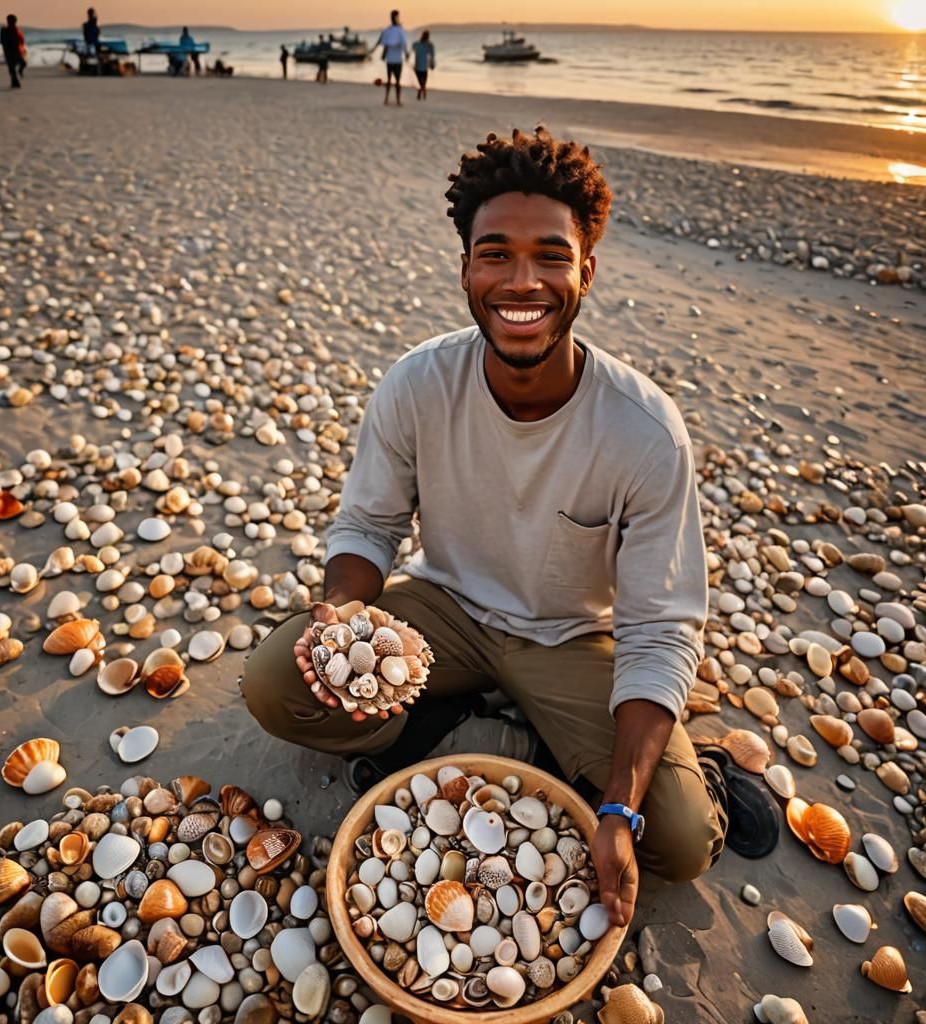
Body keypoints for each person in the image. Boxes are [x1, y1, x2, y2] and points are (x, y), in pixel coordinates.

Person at [242, 126, 786, 928]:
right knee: (278, 683)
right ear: (465, 268)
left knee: (673, 840)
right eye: (495, 253)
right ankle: (495, 728)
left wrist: (622, 808)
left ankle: (569, 743)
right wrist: (348, 623)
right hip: (448, 613)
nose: (521, 281)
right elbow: (367, 524)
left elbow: (661, 628)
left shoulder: (642, 429)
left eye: (551, 256)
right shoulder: (418, 384)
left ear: (587, 272)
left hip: (571, 639)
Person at [372, 9, 408, 105]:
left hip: (392, 59)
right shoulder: (397, 30)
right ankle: (396, 100)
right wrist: (406, 53)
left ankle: (389, 99)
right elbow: (403, 43)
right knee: (396, 81)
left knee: (391, 80)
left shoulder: (389, 30)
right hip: (395, 60)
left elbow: (382, 41)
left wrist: (375, 50)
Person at [0, 14, 26, 89]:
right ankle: (14, 82)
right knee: (12, 68)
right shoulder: (5, 30)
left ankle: (16, 79)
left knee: (22, 64)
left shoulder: (15, 30)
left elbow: (20, 40)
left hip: (15, 51)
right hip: (9, 51)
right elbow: (3, 41)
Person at [412, 29, 434, 100]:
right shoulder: (429, 46)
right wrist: (432, 64)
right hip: (423, 67)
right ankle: (423, 93)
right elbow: (432, 56)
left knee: (421, 82)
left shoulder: (417, 44)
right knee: (423, 82)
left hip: (417, 66)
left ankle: (422, 93)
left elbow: (412, 48)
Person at [82, 7, 100, 74]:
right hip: (91, 43)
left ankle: (90, 68)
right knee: (92, 55)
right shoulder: (89, 25)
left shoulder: (89, 25)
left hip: (92, 42)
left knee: (92, 55)